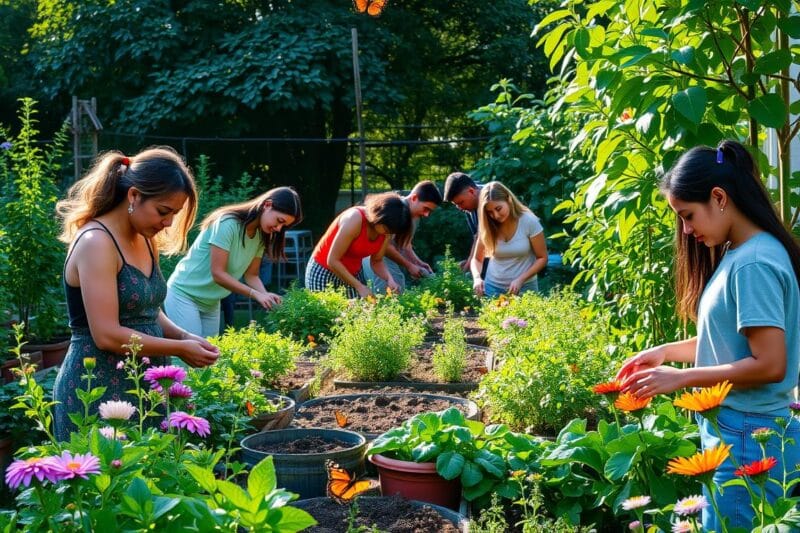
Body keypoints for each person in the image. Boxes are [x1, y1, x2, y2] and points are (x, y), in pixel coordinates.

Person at [616, 140, 800, 531]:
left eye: (688, 215)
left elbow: (770, 364)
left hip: (749, 435)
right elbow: (730, 343)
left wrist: (681, 379)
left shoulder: (753, 263)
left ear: (719, 197)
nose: (686, 230)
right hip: (740, 429)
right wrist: (666, 352)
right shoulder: (743, 253)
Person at [53, 147, 220, 441]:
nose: (168, 223)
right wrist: (179, 349)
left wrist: (184, 336)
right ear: (133, 196)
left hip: (144, 385)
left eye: (174, 214)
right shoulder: (96, 242)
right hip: (96, 387)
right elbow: (106, 335)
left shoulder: (144, 238)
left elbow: (147, 308)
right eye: (163, 211)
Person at [165, 187, 302, 337]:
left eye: (284, 226)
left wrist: (265, 296)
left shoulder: (261, 236)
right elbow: (218, 274)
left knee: (209, 352)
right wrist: (255, 294)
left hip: (211, 302)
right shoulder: (227, 223)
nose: (279, 228)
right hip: (184, 295)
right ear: (267, 205)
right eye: (279, 221)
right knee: (189, 349)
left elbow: (251, 275)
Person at [305, 192, 412, 298]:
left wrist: (389, 279)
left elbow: (377, 261)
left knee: (362, 307)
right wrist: (359, 287)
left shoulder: (386, 232)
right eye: (388, 229)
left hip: (353, 273)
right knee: (325, 308)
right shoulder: (354, 219)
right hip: (324, 270)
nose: (388, 234)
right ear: (379, 217)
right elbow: (332, 260)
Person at [470, 181, 548, 297]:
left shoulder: (529, 221)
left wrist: (521, 279)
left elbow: (542, 258)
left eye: (498, 208)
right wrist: (477, 278)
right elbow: (477, 259)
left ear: (508, 199)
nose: (495, 215)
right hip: (492, 288)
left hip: (525, 288)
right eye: (490, 212)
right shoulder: (487, 225)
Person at [361, 181, 442, 292]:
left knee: (398, 287)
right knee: (390, 290)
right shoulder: (397, 210)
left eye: (430, 211)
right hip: (376, 255)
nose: (426, 214)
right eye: (426, 208)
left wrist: (418, 262)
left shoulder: (414, 216)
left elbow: (405, 244)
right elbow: (385, 246)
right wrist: (409, 265)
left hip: (385, 256)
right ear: (414, 198)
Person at [443, 172, 482, 272]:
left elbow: (481, 237)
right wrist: (469, 262)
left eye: (461, 202)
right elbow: (477, 237)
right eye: (456, 205)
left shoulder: (491, 198)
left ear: (471, 191)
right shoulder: (469, 206)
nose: (460, 208)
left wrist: (469, 265)